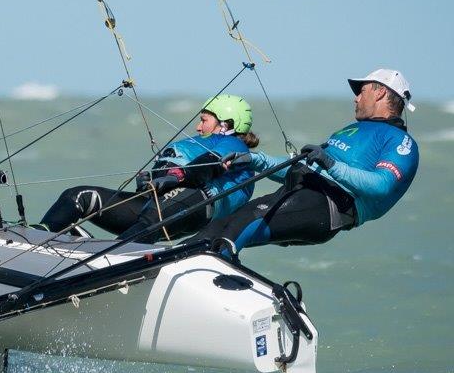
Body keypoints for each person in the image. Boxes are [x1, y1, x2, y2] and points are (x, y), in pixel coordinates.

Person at [196, 69, 419, 254]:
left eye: (362, 92)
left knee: (239, 225)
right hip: (296, 192)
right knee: (219, 223)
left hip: (328, 205)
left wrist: (330, 164)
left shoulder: (400, 141)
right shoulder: (351, 129)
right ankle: (172, 261)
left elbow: (382, 185)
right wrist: (254, 160)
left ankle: (211, 268)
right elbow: (304, 167)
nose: (356, 98)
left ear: (380, 93)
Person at [37, 94, 260, 242]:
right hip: (154, 204)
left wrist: (174, 176)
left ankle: (110, 257)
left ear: (226, 124)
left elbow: (207, 167)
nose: (198, 126)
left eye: (204, 120)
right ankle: (37, 238)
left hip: (195, 203)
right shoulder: (200, 140)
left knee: (151, 219)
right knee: (80, 196)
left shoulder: (233, 144)